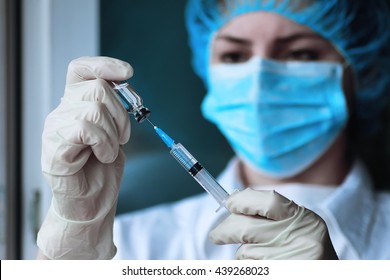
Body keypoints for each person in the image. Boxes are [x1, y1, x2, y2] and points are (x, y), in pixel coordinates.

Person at [36, 0, 390, 260]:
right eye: (235, 57)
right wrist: (71, 252)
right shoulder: (134, 246)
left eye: (300, 54)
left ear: (363, 71)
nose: (259, 82)